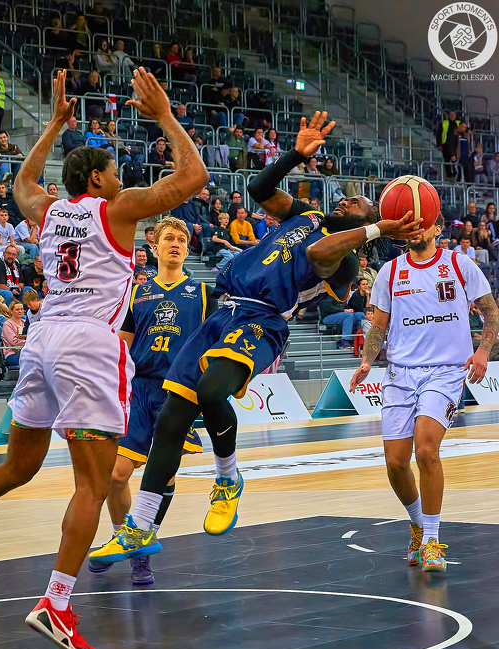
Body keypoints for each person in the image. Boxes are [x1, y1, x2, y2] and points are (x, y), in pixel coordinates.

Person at [0, 67, 207, 649]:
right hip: (89, 344)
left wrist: (55, 124)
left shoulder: (49, 210)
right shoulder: (118, 210)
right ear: (96, 178)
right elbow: (194, 177)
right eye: (113, 171)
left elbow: (22, 181)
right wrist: (165, 115)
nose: (121, 178)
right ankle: (57, 603)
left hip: (42, 339)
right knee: (93, 482)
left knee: (17, 466)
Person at [90, 112, 424, 569]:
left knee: (211, 391)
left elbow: (318, 252)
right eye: (349, 198)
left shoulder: (345, 260)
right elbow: (259, 188)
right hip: (225, 310)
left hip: (263, 320)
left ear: (368, 225)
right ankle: (141, 526)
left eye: (360, 204)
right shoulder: (307, 215)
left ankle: (228, 478)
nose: (348, 200)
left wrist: (379, 228)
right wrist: (295, 155)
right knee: (171, 419)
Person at [350, 212, 499, 573]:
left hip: (446, 371)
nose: (416, 230)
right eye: (411, 226)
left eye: (423, 224)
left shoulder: (460, 264)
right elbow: (379, 325)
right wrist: (368, 360)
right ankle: (418, 525)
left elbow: (491, 311)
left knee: (427, 449)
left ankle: (432, 540)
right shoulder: (390, 271)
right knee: (395, 463)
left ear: (437, 228)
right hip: (400, 374)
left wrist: (483, 350)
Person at [89, 216, 218, 581]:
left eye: (182, 240)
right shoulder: (137, 293)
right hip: (139, 391)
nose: (176, 244)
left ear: (187, 249)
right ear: (154, 247)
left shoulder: (204, 293)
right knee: (116, 475)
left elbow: (216, 341)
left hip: (178, 392)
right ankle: (124, 538)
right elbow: (122, 345)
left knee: (164, 473)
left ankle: (141, 548)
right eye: (169, 238)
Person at [1, 300, 26, 367]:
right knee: (31, 357)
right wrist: (29, 342)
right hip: (12, 354)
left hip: (25, 351)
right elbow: (14, 342)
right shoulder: (7, 324)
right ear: (11, 311)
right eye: (17, 309)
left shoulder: (25, 322)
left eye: (22, 309)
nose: (20, 311)